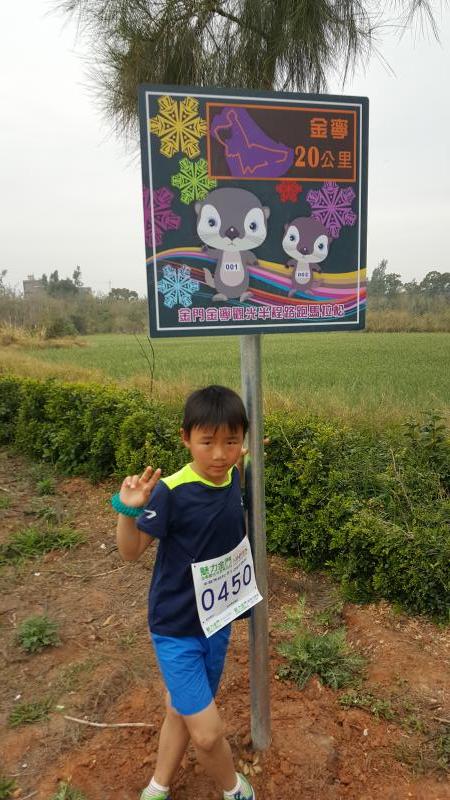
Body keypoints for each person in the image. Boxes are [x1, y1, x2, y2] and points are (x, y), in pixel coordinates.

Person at [111, 385, 257, 800]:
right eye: (207, 442)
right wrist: (128, 510)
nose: (219, 454)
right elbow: (131, 552)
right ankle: (236, 790)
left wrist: (246, 452)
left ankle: (158, 785)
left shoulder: (233, 473)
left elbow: (236, 459)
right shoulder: (171, 491)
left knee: (181, 708)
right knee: (207, 734)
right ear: (185, 438)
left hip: (217, 622)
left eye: (231, 441)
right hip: (176, 628)